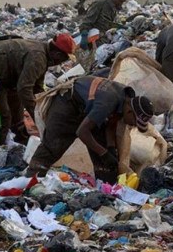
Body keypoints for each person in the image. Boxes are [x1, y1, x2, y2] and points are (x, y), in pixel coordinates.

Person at [26, 76, 154, 182]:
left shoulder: (126, 98)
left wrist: (109, 148)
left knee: (102, 147)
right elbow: (82, 132)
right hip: (67, 105)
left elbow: (111, 124)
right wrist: (103, 153)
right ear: (130, 112)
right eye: (134, 123)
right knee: (53, 145)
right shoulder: (107, 102)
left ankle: (106, 186)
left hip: (86, 108)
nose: (132, 125)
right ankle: (30, 180)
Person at [0, 33, 75, 144]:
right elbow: (24, 89)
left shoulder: (43, 52)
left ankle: (19, 138)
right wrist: (37, 116)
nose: (63, 62)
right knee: (4, 115)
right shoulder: (38, 57)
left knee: (17, 106)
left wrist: (46, 107)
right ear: (58, 54)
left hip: (2, 74)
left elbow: (37, 87)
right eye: (64, 58)